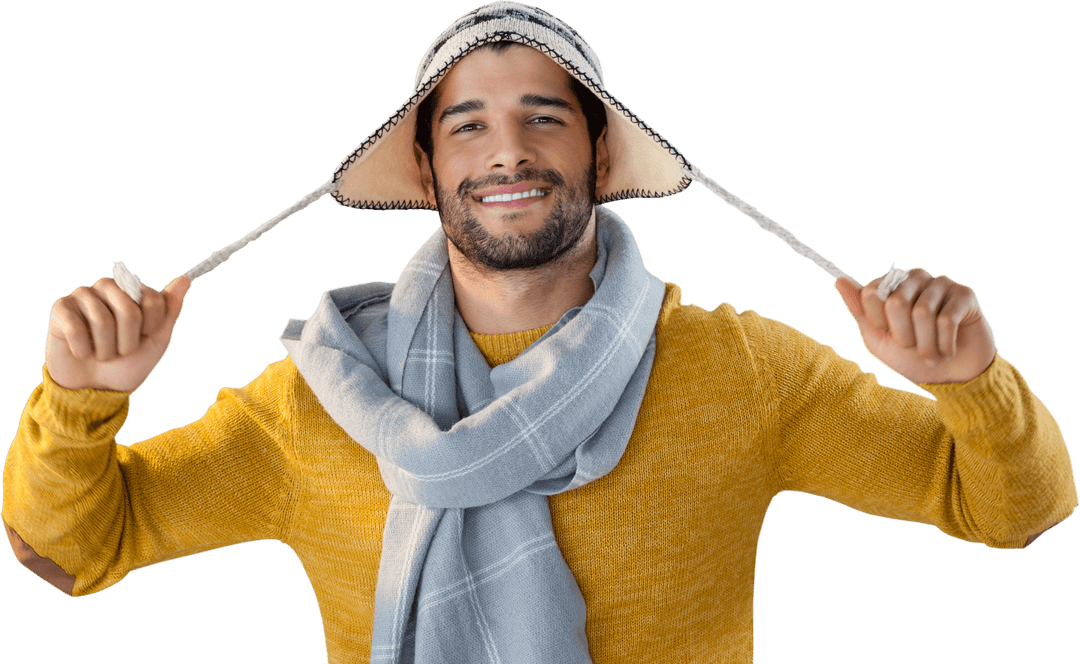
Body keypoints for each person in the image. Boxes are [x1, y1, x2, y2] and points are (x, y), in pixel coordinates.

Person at [4, 2, 1075, 662]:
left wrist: (969, 379)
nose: (504, 152)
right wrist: (80, 397)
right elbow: (67, 548)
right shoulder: (322, 397)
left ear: (601, 159)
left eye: (544, 117)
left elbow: (1016, 516)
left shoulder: (736, 368)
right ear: (427, 171)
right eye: (466, 123)